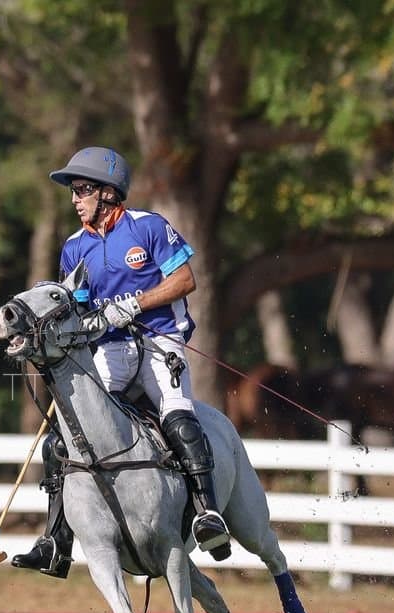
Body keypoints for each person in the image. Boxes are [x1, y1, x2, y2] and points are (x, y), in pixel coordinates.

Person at [12, 145, 231, 575]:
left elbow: (185, 279)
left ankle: (208, 514)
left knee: (178, 417)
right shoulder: (74, 248)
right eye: (74, 193)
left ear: (108, 193)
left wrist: (135, 304)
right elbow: (73, 306)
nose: (75, 200)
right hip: (109, 348)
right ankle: (56, 541)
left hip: (159, 341)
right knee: (67, 436)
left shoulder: (148, 227)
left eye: (82, 191)